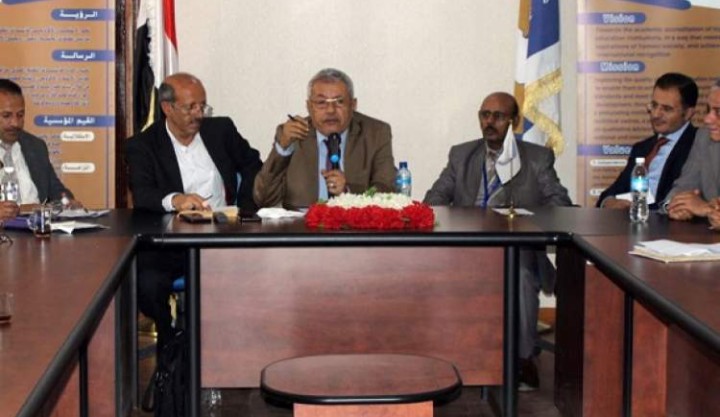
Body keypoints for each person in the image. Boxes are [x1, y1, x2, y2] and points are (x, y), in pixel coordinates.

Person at [424, 92, 571, 391]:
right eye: (485, 115)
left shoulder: (537, 158)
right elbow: (434, 199)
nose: (489, 122)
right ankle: (446, 358)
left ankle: (524, 358)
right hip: (465, 248)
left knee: (521, 275)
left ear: (514, 121)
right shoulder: (461, 155)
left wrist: (525, 218)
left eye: (499, 116)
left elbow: (560, 204)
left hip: (515, 247)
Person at [126, 72, 262, 349]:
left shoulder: (221, 130)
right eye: (191, 107)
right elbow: (143, 193)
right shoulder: (142, 145)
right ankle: (171, 341)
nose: (199, 114)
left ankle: (236, 343)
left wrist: (243, 208)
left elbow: (253, 165)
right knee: (147, 282)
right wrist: (176, 199)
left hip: (225, 237)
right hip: (173, 243)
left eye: (203, 106)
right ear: (167, 108)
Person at [253, 68, 396, 208]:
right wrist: (283, 149)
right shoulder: (292, 135)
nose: (330, 110)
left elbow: (387, 191)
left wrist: (348, 191)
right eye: (321, 102)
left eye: (339, 101)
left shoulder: (376, 133)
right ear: (309, 106)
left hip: (353, 222)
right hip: (302, 222)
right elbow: (263, 199)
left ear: (353, 105)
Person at [597, 73, 697, 210]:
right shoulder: (641, 148)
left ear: (688, 113)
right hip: (632, 219)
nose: (656, 114)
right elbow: (612, 192)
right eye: (654, 105)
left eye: (666, 109)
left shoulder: (698, 146)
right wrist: (609, 202)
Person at [0, 79, 80, 206]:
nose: (15, 123)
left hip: (36, 218)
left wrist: (67, 202)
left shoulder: (35, 146)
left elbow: (57, 192)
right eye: (6, 116)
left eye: (20, 115)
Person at [666, 79, 720, 224]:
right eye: (708, 110)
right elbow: (681, 189)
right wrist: (674, 207)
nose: (707, 119)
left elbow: (705, 208)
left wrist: (706, 208)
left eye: (718, 112)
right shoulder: (704, 137)